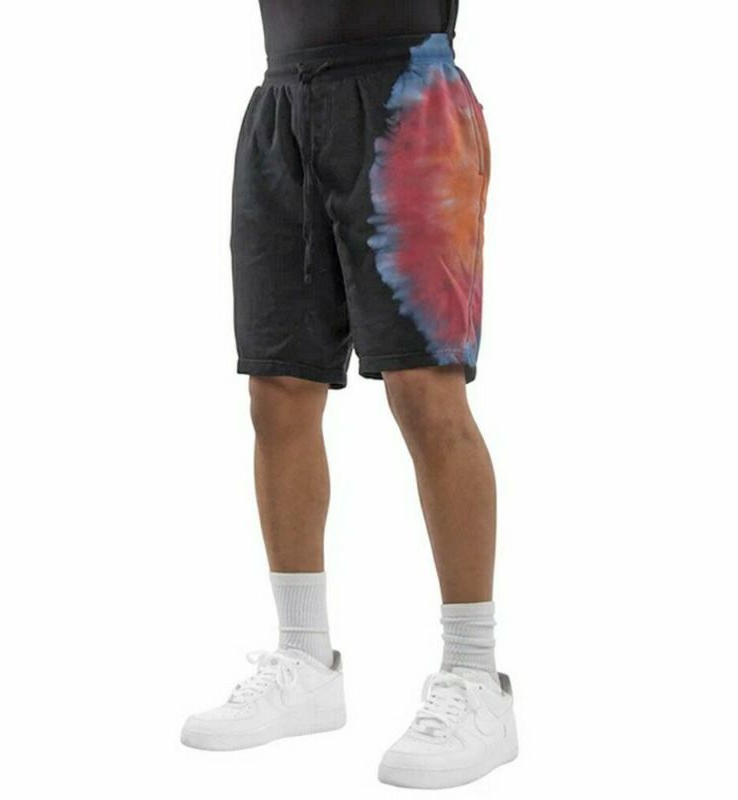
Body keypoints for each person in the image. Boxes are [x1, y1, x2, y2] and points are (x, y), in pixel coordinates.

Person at [181, 0, 517, 788]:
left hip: (408, 94)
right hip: (281, 104)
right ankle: (305, 659)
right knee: (278, 387)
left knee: (424, 387)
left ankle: (475, 676)